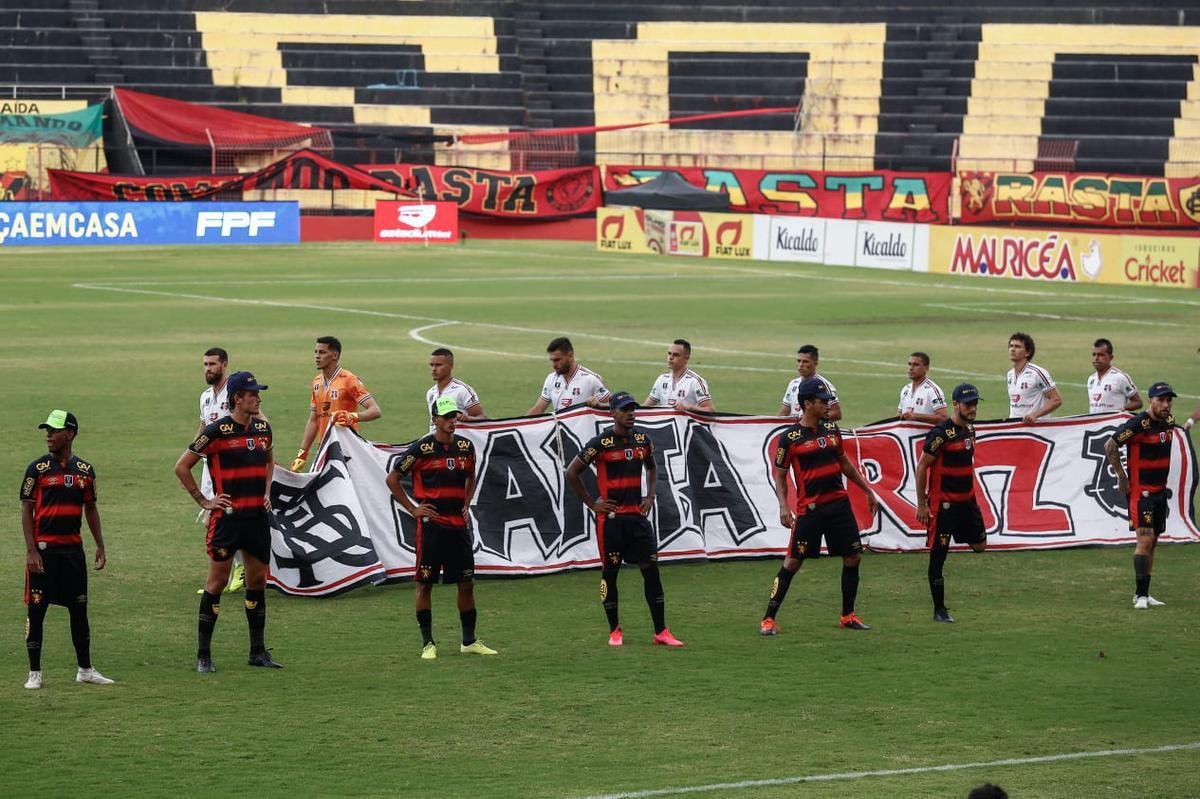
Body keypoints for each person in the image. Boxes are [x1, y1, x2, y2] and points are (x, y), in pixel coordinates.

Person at [174, 371, 283, 671]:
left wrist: (266, 492)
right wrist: (205, 501)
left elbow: (269, 461)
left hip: (256, 518)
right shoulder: (216, 432)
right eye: (253, 394)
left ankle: (257, 652)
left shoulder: (263, 428)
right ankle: (204, 655)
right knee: (217, 583)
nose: (258, 398)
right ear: (237, 398)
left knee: (257, 581)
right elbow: (182, 466)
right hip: (228, 521)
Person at [760, 377, 878, 635]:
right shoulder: (789, 438)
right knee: (793, 562)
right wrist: (783, 505)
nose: (828, 405)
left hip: (839, 506)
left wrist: (867, 490)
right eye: (822, 401)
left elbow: (844, 463)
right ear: (807, 403)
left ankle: (848, 615)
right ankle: (768, 619)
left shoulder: (832, 429)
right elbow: (780, 475)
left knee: (853, 557)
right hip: (810, 511)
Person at [565, 392, 684, 647]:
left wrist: (650, 495)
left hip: (638, 519)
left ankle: (661, 632)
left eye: (632, 409)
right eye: (624, 409)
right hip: (611, 521)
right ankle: (614, 631)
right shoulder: (600, 443)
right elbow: (571, 472)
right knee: (610, 574)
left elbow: (652, 466)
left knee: (651, 572)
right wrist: (592, 503)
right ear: (612, 413)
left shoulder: (643, 440)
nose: (631, 413)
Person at [386, 396, 497, 659]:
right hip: (432, 527)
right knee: (425, 584)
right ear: (435, 419)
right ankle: (428, 644)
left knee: (466, 583)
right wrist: (414, 509)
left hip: (458, 526)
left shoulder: (465, 447)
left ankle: (469, 641)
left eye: (454, 416)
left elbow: (471, 475)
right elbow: (392, 479)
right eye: (446, 417)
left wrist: (466, 502)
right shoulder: (421, 449)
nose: (451, 421)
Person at [21, 410, 113, 690]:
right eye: (47, 430)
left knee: (79, 610)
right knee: (37, 611)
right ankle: (34, 673)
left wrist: (100, 544)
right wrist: (31, 550)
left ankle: (85, 669)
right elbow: (26, 510)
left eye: (54, 430)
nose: (48, 435)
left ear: (70, 434)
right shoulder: (36, 470)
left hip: (73, 553)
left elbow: (91, 508)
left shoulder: (85, 471)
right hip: (44, 553)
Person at [915, 384, 987, 623]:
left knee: (980, 545)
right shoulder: (940, 434)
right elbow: (922, 466)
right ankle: (939, 610)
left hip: (967, 501)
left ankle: (956, 531)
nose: (973, 408)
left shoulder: (970, 429)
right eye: (968, 404)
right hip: (943, 505)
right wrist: (922, 504)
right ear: (955, 405)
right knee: (939, 556)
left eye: (975, 404)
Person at [1105, 381, 1179, 610]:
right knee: (1144, 540)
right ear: (1150, 401)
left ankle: (1144, 593)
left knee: (1153, 542)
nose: (1166, 405)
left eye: (1168, 400)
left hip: (1160, 492)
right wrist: (1121, 476)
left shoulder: (1168, 421)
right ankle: (1140, 596)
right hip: (1141, 493)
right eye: (1161, 400)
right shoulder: (1138, 424)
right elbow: (1110, 445)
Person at [291, 336, 382, 472]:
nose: (317, 356)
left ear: (335, 355)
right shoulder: (316, 382)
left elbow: (375, 411)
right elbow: (314, 420)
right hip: (323, 449)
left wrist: (352, 416)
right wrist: (302, 454)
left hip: (346, 450)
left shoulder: (349, 380)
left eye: (322, 352)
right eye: (316, 352)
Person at [197, 347, 245, 594]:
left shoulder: (235, 393)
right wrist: (192, 456)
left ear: (224, 365)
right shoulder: (205, 396)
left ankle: (239, 569)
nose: (208, 369)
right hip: (210, 468)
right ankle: (230, 571)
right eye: (205, 364)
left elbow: (258, 420)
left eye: (212, 364)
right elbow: (204, 427)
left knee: (220, 518)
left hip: (231, 468)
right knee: (212, 519)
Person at [526, 336, 610, 416]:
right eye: (552, 360)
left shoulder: (590, 379)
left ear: (570, 356)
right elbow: (539, 409)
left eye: (557, 360)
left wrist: (599, 405)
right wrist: (520, 424)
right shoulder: (551, 379)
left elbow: (613, 406)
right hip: (561, 426)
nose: (554, 365)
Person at [643, 339, 715, 412]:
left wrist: (689, 407)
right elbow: (645, 406)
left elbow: (710, 410)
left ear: (686, 358)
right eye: (669, 353)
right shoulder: (662, 379)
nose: (670, 358)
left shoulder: (695, 382)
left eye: (676, 355)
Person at [425, 347, 485, 432]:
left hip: (458, 439)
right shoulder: (431, 393)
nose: (434, 369)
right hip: (438, 439)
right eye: (432, 365)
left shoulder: (462, 390)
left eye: (438, 365)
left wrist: (468, 418)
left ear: (451, 366)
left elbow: (482, 418)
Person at [1006, 332, 1061, 423]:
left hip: (1035, 428)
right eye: (1011, 346)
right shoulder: (1010, 374)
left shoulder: (1037, 373)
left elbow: (1056, 399)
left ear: (1027, 352)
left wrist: (1035, 415)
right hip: (1016, 428)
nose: (1012, 349)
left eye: (1017, 347)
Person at [779, 344, 842, 422]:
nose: (800, 365)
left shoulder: (822, 385)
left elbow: (836, 413)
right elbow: (785, 411)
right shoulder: (793, 384)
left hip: (812, 429)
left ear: (815, 363)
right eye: (799, 361)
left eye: (805, 361)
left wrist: (811, 420)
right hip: (796, 428)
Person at [1087, 338, 1142, 414]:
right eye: (1094, 354)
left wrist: (1123, 409)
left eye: (1101, 355)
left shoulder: (1119, 378)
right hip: (1096, 422)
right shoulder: (1091, 379)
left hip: (1115, 421)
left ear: (1111, 357)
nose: (1096, 358)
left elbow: (1138, 402)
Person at [897, 351, 948, 423]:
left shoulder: (932, 390)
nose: (911, 368)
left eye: (916, 365)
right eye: (909, 364)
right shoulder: (905, 389)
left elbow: (943, 418)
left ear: (926, 368)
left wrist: (916, 417)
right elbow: (899, 414)